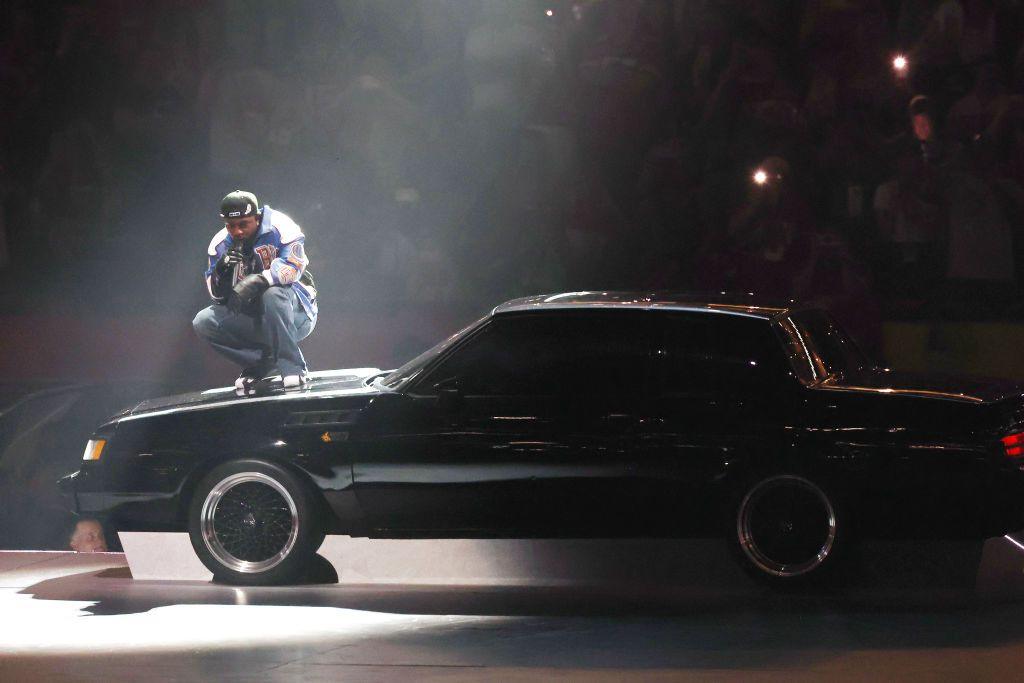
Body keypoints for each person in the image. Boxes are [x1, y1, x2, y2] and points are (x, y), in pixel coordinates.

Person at [192, 190, 317, 394]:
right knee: (203, 322)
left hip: (296, 314)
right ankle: (263, 363)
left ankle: (293, 366)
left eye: (243, 224)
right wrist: (221, 273)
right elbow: (217, 298)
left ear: (257, 218)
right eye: (231, 225)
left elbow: (294, 266)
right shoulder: (219, 244)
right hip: (257, 319)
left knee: (272, 294)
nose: (237, 231)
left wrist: (258, 280)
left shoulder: (281, 225)